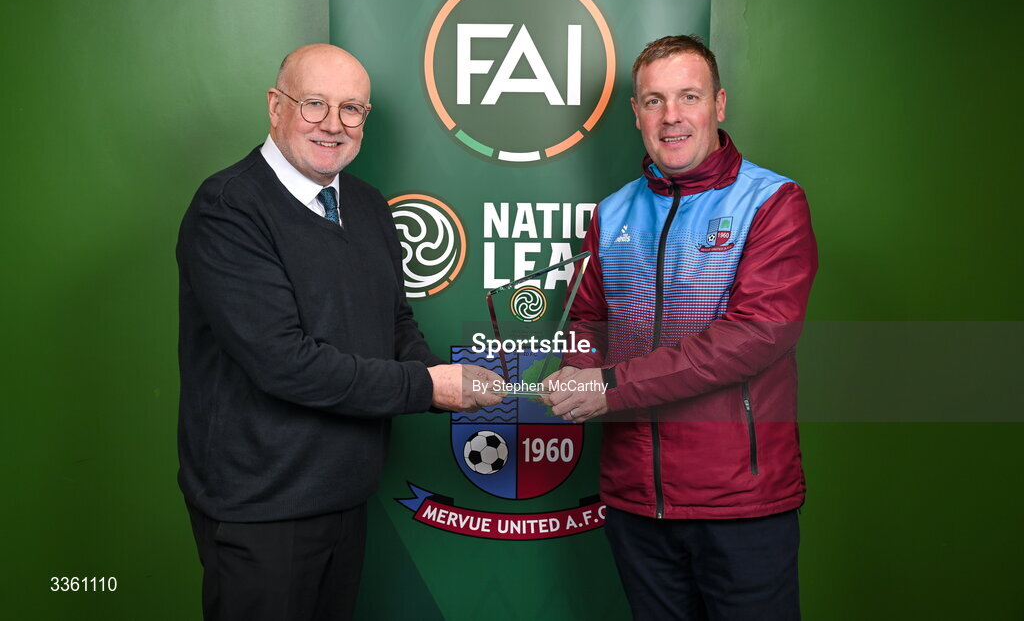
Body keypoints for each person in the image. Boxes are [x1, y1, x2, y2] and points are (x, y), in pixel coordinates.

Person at [176, 43, 503, 621]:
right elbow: (284, 362)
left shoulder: (367, 204)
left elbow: (394, 320)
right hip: (262, 508)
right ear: (275, 107)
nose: (334, 124)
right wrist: (429, 388)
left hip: (345, 495)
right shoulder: (228, 209)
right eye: (314, 104)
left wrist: (440, 375)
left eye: (352, 109)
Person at [543, 35, 817, 620]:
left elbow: (754, 337)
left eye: (688, 97)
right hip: (636, 503)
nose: (671, 117)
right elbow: (586, 319)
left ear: (718, 105)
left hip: (741, 506)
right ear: (636, 113)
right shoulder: (612, 211)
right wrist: (576, 368)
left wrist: (607, 385)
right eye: (653, 100)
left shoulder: (772, 202)